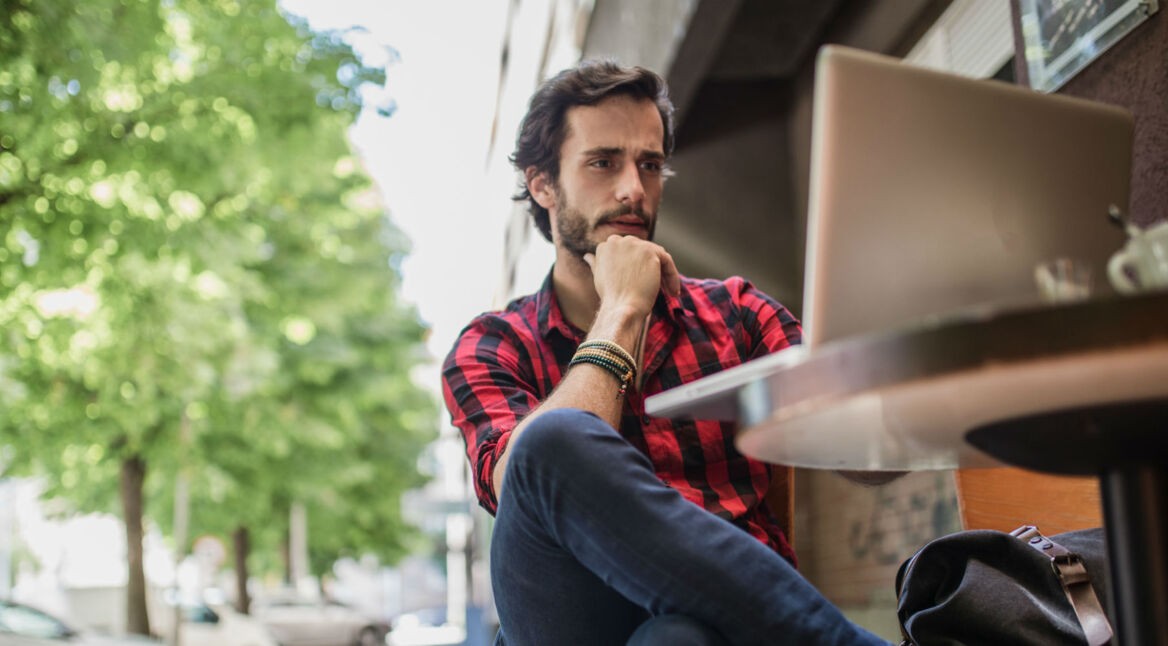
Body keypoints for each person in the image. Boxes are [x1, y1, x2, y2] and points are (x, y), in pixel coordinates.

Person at [442, 60, 889, 645]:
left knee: (676, 639)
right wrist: (623, 309)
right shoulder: (492, 344)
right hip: (572, 620)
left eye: (649, 165)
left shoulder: (738, 312)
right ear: (543, 183)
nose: (633, 188)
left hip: (726, 627)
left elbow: (876, 458)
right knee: (548, 442)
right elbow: (522, 487)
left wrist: (905, 370)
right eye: (603, 162)